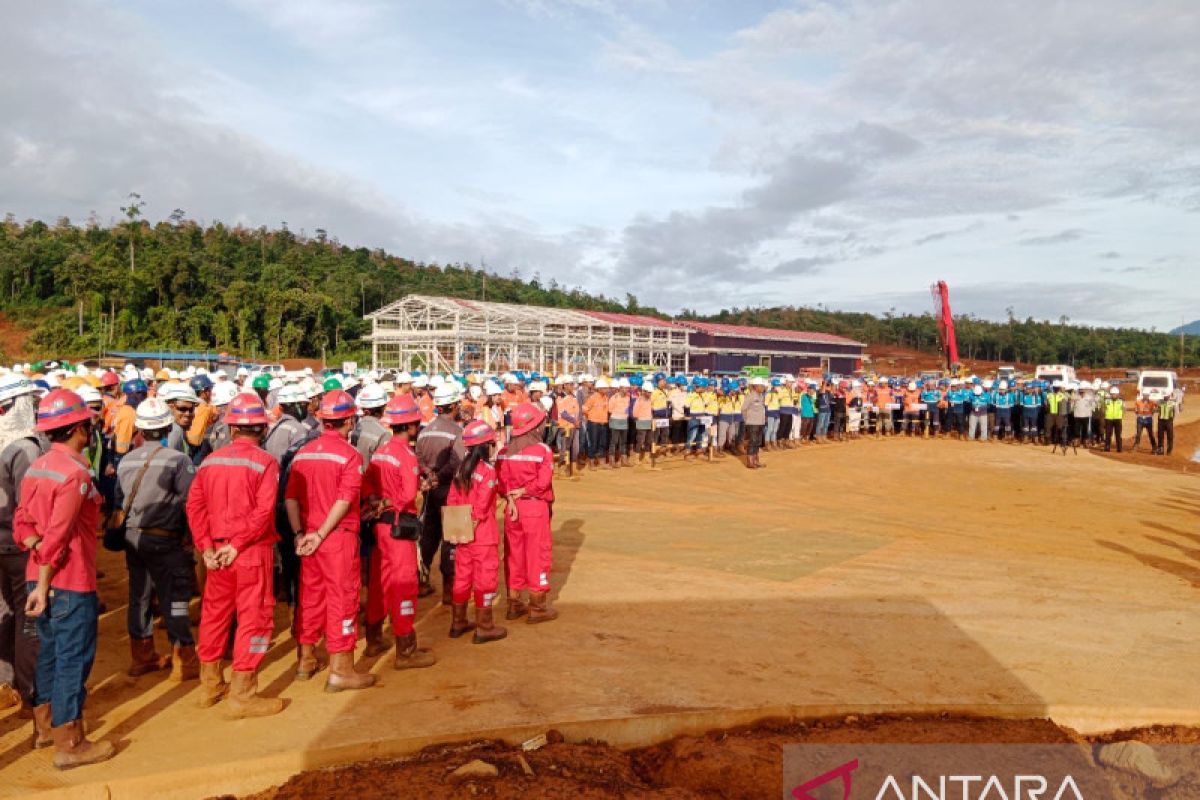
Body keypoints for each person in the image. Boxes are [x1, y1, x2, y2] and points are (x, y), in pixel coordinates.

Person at [15, 389, 115, 768]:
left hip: (37, 576)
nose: (91, 427)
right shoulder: (75, 474)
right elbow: (59, 536)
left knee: (50, 652)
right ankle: (70, 743)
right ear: (77, 428)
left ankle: (43, 728)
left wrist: (35, 550)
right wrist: (44, 581)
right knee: (73, 657)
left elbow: (24, 522)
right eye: (87, 423)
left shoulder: (37, 467)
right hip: (67, 581)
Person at [186, 393, 284, 718]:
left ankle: (210, 685)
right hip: (250, 553)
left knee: (214, 616)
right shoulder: (266, 463)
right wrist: (237, 544)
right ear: (262, 429)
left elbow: (194, 506)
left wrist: (207, 548)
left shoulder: (210, 461)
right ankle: (243, 693)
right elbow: (264, 511)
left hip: (217, 555)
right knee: (254, 620)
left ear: (231, 430)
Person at [285, 389, 375, 691]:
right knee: (342, 599)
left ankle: (306, 659)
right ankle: (341, 669)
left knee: (311, 597)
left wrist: (302, 534)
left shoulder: (303, 453)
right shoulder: (350, 456)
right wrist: (322, 533)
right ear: (348, 421)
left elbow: (291, 499)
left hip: (308, 537)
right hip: (336, 538)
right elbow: (345, 500)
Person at [116, 398, 198, 681]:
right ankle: (183, 657)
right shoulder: (178, 460)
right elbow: (192, 502)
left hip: (133, 539)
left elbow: (118, 503)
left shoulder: (126, 460)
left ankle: (142, 656)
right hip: (166, 541)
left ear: (140, 429)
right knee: (174, 598)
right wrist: (191, 538)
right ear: (167, 426)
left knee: (138, 597)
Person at [360, 394, 438, 668]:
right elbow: (406, 496)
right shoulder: (406, 456)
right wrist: (411, 491)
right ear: (413, 426)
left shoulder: (382, 451)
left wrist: (375, 502)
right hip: (398, 527)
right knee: (405, 583)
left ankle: (373, 640)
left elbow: (367, 483)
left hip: (380, 528)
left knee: (380, 582)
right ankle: (406, 649)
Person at [0, 375, 45, 715]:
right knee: (28, 619)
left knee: (5, 615)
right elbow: (29, 507)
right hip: (18, 546)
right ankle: (31, 694)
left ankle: (6, 685)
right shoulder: (25, 448)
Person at [445, 419, 508, 643]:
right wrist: (473, 523)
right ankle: (484, 625)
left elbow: (452, 500)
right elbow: (482, 507)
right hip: (482, 535)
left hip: (462, 534)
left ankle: (458, 621)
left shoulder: (461, 469)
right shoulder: (488, 472)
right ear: (486, 445)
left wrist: (459, 528)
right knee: (485, 579)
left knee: (462, 577)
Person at [497, 402, 558, 623]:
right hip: (534, 508)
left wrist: (512, 495)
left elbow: (501, 484)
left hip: (511, 509)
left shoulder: (504, 452)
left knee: (514, 554)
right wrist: (526, 490)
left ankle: (514, 602)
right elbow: (543, 483)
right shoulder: (542, 451)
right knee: (537, 554)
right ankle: (537, 606)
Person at [415, 383, 467, 603]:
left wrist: (429, 476)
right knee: (452, 539)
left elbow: (417, 458)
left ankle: (422, 582)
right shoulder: (457, 432)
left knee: (428, 537)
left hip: (429, 491)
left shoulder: (424, 430)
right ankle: (449, 591)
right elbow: (457, 462)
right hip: (450, 491)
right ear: (453, 406)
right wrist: (439, 477)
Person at [742, 378, 767, 469]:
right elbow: (744, 409)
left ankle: (756, 460)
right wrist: (747, 420)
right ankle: (750, 462)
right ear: (756, 386)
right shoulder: (750, 396)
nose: (763, 387)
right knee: (752, 442)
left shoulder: (761, 396)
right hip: (752, 423)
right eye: (762, 386)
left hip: (760, 422)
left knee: (757, 442)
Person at [1103, 386, 1124, 452]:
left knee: (1118, 434)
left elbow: (1124, 410)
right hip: (1108, 419)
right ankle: (1107, 447)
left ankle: (1119, 448)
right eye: (1112, 394)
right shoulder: (1106, 401)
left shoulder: (1121, 401)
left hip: (1118, 419)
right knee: (1108, 434)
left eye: (1115, 394)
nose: (1113, 395)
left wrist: (1121, 416)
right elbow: (1103, 409)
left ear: (1117, 394)